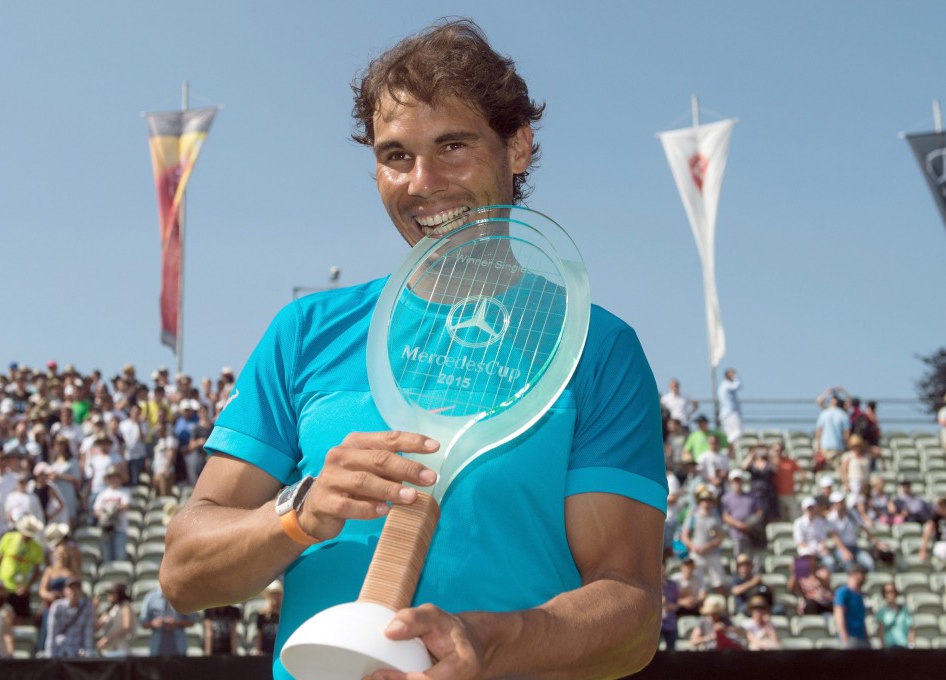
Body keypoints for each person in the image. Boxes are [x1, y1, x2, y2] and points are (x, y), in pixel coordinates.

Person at [160, 19, 666, 680]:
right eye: (396, 155)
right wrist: (299, 512)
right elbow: (183, 575)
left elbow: (630, 615)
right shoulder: (306, 331)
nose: (422, 182)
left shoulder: (596, 347)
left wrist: (491, 643)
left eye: (452, 146)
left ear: (518, 147)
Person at [0, 514, 45, 623]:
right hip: (4, 586)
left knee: (19, 619)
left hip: (21, 589)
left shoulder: (37, 547)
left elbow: (37, 570)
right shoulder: (8, 538)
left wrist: (27, 586)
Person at [681, 487, 727, 594]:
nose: (706, 503)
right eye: (704, 500)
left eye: (708, 500)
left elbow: (720, 537)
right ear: (699, 502)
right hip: (696, 555)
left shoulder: (715, 518)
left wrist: (707, 546)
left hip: (712, 554)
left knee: (718, 582)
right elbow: (684, 536)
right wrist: (694, 547)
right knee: (698, 584)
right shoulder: (692, 517)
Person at [140, 585, 198, 656]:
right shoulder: (150, 597)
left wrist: (176, 623)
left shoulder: (183, 596)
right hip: (157, 648)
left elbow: (191, 621)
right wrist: (153, 623)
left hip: (179, 648)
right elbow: (143, 622)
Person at [45, 576, 95, 658]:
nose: (74, 592)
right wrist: (50, 658)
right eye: (71, 588)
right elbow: (52, 634)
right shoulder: (57, 607)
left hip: (79, 652)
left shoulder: (87, 607)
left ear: (80, 591)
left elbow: (88, 635)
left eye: (77, 588)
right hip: (60, 650)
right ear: (65, 591)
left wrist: (88, 657)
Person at [721, 470, 764, 562]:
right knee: (739, 558)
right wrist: (739, 525)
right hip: (737, 534)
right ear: (730, 482)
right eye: (735, 481)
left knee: (753, 558)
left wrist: (750, 524)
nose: (737, 483)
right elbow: (725, 516)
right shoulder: (726, 498)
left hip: (751, 533)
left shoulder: (752, 496)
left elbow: (759, 512)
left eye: (739, 480)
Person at [91, 465, 130, 563]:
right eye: (111, 477)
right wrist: (106, 514)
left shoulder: (124, 492)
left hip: (120, 528)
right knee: (106, 558)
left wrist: (114, 509)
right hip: (105, 529)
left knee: (120, 557)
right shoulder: (102, 494)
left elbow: (127, 506)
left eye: (115, 476)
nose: (113, 479)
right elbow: (96, 511)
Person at [833, 564, 869, 649]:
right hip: (850, 638)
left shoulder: (860, 595)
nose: (865, 577)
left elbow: (861, 619)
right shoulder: (843, 592)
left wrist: (866, 638)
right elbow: (839, 614)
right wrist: (844, 637)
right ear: (854, 574)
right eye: (862, 574)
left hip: (861, 638)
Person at [95, 581, 134, 657]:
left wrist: (107, 638)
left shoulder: (125, 606)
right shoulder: (109, 610)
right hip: (107, 650)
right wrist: (95, 609)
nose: (109, 596)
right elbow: (96, 627)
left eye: (112, 593)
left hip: (120, 649)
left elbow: (126, 626)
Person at [815, 392, 850, 469]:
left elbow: (818, 432)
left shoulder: (824, 413)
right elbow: (846, 434)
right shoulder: (843, 414)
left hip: (830, 447)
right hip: (834, 447)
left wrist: (827, 392)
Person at [770, 442, 801, 521]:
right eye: (776, 450)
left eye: (779, 450)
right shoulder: (769, 463)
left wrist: (799, 488)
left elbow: (801, 475)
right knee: (781, 520)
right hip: (776, 497)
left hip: (789, 495)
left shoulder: (790, 462)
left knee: (795, 518)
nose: (778, 452)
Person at [253, 580, 283, 659]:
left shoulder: (283, 615)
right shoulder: (262, 615)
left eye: (277, 594)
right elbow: (259, 635)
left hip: (279, 653)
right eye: (273, 594)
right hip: (265, 652)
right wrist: (257, 649)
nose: (275, 597)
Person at [717, 369, 743, 443]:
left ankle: (729, 447)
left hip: (725, 414)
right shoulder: (727, 385)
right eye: (732, 374)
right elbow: (738, 385)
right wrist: (736, 377)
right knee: (738, 432)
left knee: (730, 434)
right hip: (731, 413)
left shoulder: (723, 386)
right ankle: (728, 445)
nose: (734, 375)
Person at [917, 496, 946, 563]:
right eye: (940, 505)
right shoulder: (935, 517)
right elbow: (927, 533)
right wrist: (923, 550)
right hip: (940, 544)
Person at [659, 562, 679, 651]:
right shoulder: (652, 585)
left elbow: (677, 604)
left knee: (671, 650)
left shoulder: (672, 585)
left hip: (670, 623)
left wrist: (667, 606)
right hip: (657, 624)